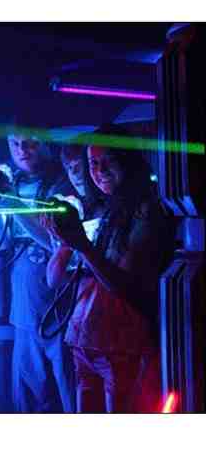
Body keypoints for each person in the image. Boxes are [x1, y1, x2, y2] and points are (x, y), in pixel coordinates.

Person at [42, 137, 171, 412]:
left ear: (127, 160)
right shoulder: (104, 208)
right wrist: (65, 239)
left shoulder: (146, 209)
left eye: (107, 161)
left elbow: (123, 284)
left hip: (121, 344)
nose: (99, 171)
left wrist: (81, 243)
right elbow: (53, 280)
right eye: (93, 163)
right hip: (84, 340)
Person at [0, 126, 75, 413]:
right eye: (14, 144)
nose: (21, 151)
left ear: (44, 142)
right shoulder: (14, 182)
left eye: (29, 143)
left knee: (70, 392)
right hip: (25, 307)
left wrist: (13, 203)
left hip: (60, 307)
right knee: (30, 395)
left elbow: (56, 240)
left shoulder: (63, 181)